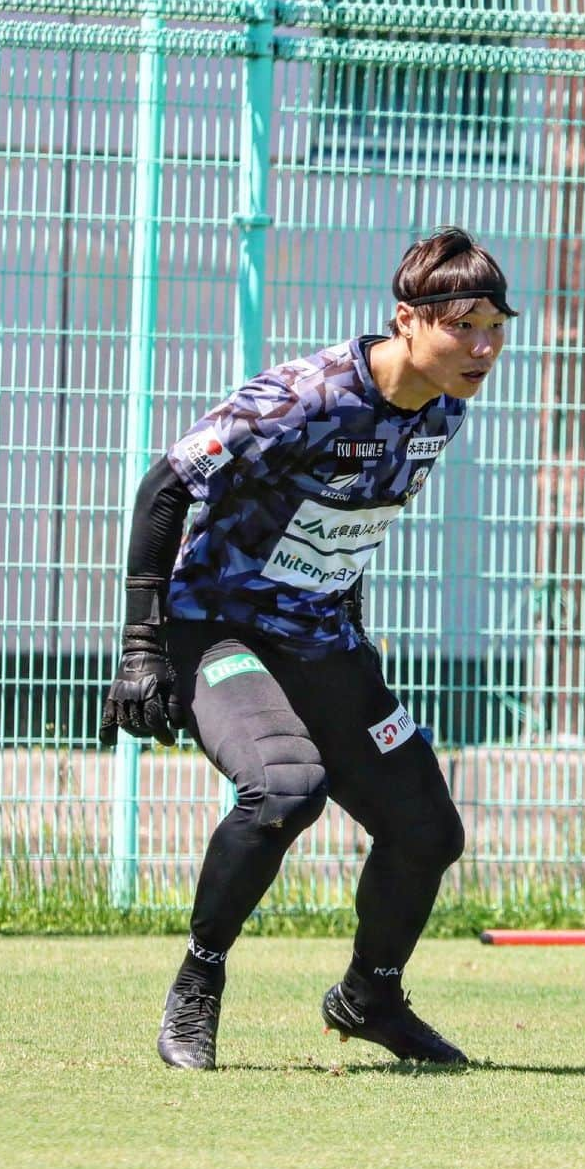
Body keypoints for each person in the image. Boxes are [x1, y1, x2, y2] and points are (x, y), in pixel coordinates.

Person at [99, 226, 516, 1068]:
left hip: (320, 635)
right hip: (216, 625)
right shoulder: (304, 396)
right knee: (287, 787)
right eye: (461, 326)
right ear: (407, 320)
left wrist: (347, 620)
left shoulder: (445, 407)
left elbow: (347, 516)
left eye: (496, 328)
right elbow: (166, 486)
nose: (481, 348)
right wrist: (143, 646)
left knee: (427, 831)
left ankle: (370, 996)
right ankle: (197, 985)